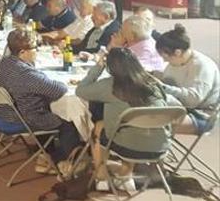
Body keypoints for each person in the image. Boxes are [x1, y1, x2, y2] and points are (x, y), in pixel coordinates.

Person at [76, 48, 179, 191]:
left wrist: (98, 67)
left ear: (110, 67)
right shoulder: (153, 84)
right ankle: (126, 175)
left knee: (100, 128)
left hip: (128, 146)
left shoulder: (110, 85)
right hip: (160, 147)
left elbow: (81, 90)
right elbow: (175, 107)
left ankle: (102, 177)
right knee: (132, 128)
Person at [0, 29, 83, 173]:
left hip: (0, 114)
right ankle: (63, 162)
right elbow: (58, 90)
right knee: (68, 123)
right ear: (22, 52)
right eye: (35, 48)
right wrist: (63, 83)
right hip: (21, 118)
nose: (37, 51)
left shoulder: (5, 62)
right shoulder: (25, 74)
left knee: (48, 112)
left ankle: (46, 154)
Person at [156, 24, 220, 134]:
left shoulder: (202, 66)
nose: (164, 61)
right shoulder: (177, 60)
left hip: (200, 115)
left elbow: (193, 99)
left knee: (151, 123)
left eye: (165, 57)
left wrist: (163, 87)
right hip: (177, 107)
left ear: (177, 52)